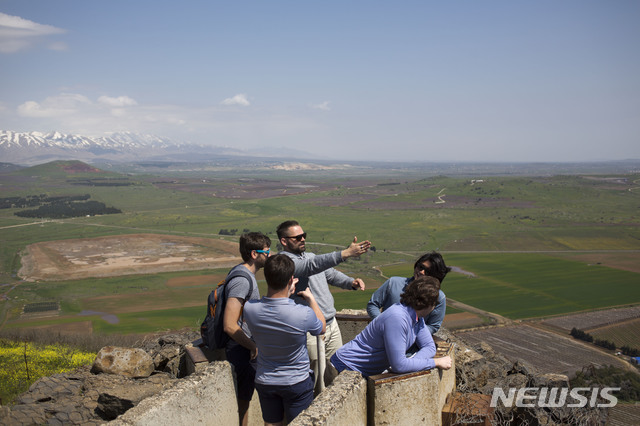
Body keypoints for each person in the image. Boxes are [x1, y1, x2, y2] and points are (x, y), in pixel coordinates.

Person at [276, 220, 370, 393]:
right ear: (284, 241)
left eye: (304, 236)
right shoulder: (284, 263)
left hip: (331, 323)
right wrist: (345, 253)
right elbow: (310, 267)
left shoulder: (310, 256)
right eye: (297, 237)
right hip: (309, 329)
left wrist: (351, 283)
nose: (303, 239)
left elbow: (330, 274)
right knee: (314, 378)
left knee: (337, 369)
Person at [244, 254, 326, 426]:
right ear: (291, 280)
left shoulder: (250, 309)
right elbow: (321, 327)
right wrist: (311, 299)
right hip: (296, 381)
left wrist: (285, 292)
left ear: (267, 278)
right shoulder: (303, 314)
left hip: (265, 380)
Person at [331, 276, 452, 378]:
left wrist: (411, 363)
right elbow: (399, 366)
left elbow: (429, 347)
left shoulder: (416, 317)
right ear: (429, 304)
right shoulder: (397, 318)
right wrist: (435, 362)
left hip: (361, 371)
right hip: (345, 367)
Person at [222, 232, 271, 426]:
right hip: (241, 350)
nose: (269, 255)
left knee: (247, 399)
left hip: (244, 348)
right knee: (243, 402)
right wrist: (252, 346)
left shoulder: (244, 274)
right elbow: (229, 324)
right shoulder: (242, 280)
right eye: (266, 252)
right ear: (254, 254)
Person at [367, 251, 451, 334]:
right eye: (421, 267)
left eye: (428, 271)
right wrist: (383, 324)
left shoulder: (439, 297)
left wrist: (410, 333)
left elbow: (433, 326)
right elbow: (373, 304)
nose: (422, 272)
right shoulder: (393, 283)